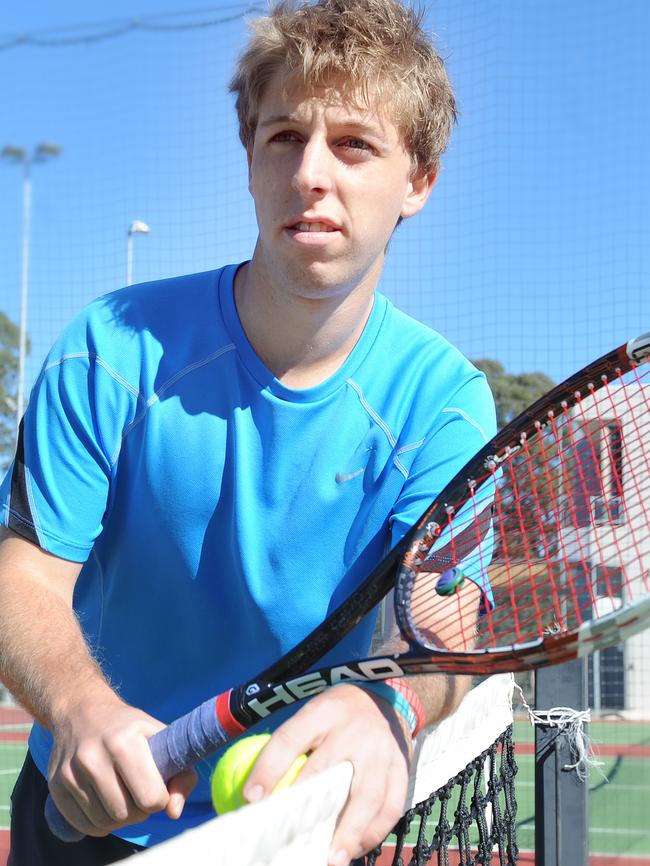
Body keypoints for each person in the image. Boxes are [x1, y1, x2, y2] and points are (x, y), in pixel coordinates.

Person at [0, 1, 496, 864]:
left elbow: (441, 618)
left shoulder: (444, 404)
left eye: (354, 144)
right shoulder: (108, 349)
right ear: (251, 156)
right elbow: (25, 579)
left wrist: (395, 705)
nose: (311, 173)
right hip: (83, 818)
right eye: (283, 137)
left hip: (297, 828)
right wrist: (79, 707)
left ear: (418, 181)